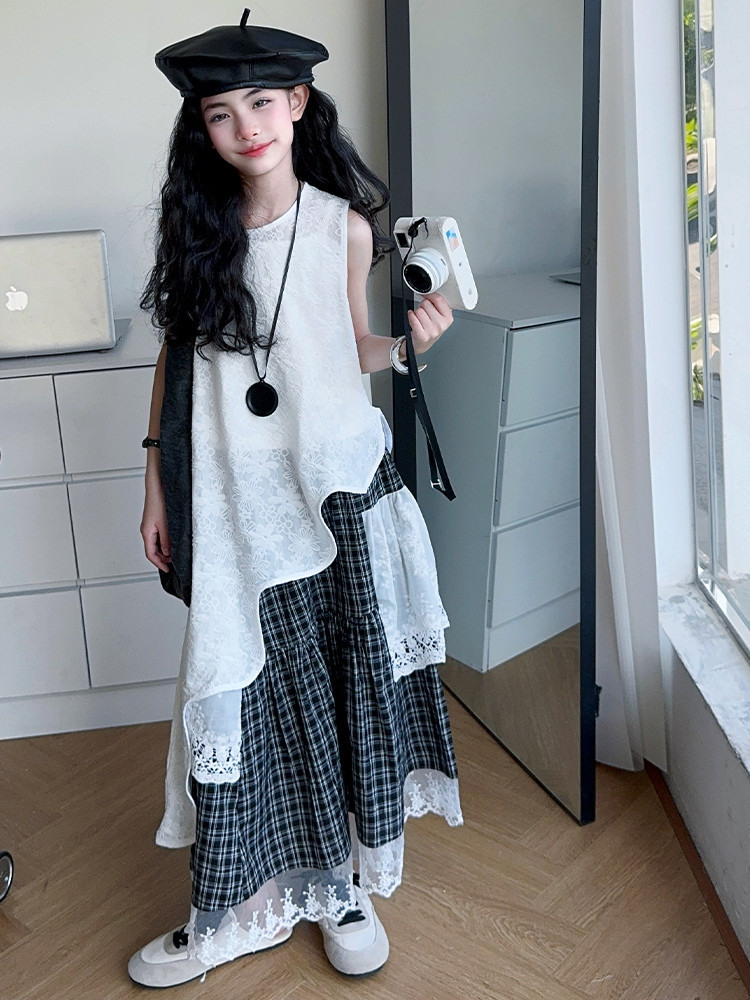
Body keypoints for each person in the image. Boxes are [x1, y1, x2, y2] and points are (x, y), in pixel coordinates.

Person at [129, 11, 463, 988]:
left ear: (299, 104)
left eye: (263, 103)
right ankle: (241, 904)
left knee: (340, 689)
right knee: (247, 689)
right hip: (238, 504)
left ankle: (345, 887)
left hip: (334, 497)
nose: (246, 127)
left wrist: (407, 346)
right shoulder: (197, 231)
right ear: (202, 127)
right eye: (220, 112)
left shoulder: (342, 225)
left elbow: (344, 346)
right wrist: (155, 480)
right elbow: (176, 365)